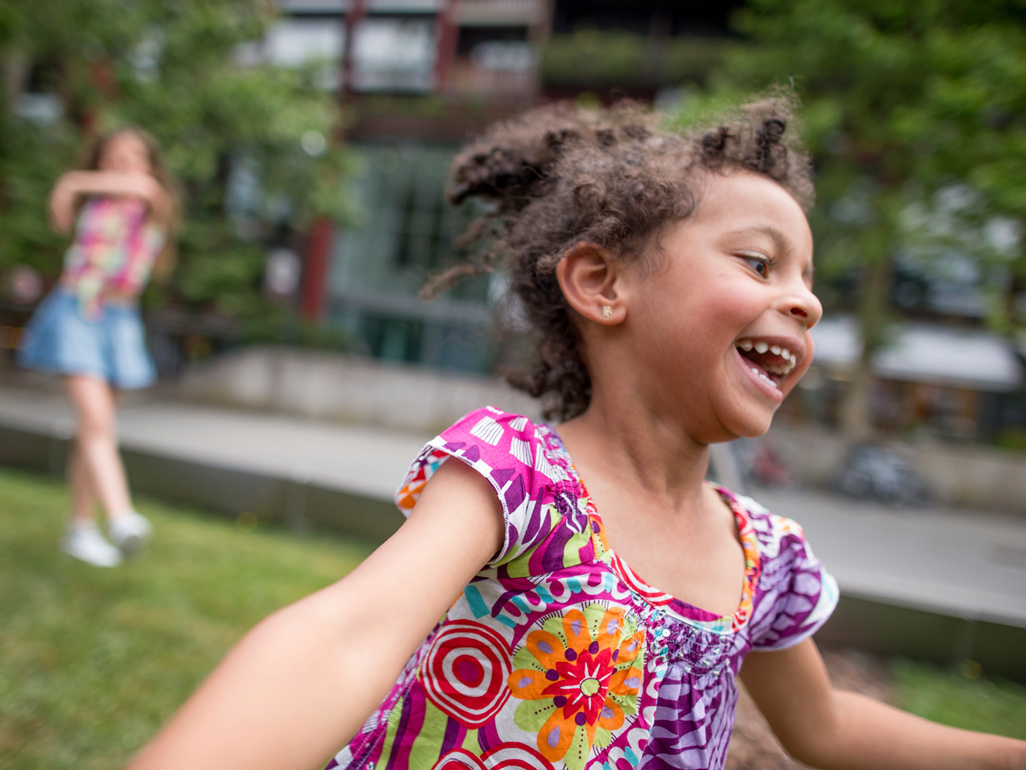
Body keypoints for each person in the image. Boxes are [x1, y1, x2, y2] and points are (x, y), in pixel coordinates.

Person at [126, 98, 1026, 770]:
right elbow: (352, 633)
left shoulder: (765, 555)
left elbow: (826, 727)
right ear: (601, 283)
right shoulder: (518, 479)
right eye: (760, 262)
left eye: (809, 278)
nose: (807, 299)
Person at [18, 125, 177, 568]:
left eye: (131, 156)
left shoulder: (153, 204)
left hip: (120, 322)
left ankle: (79, 529)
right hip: (78, 312)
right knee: (96, 421)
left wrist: (70, 181)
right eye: (110, 157)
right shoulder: (96, 206)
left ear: (149, 166)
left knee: (93, 431)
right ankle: (122, 516)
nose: (120, 165)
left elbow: (142, 187)